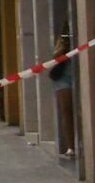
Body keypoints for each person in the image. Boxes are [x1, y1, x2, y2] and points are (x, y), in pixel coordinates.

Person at [51, 29, 76, 157]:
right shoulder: (64, 36)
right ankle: (71, 147)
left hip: (78, 73)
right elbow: (55, 55)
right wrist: (64, 47)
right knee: (67, 111)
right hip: (64, 77)